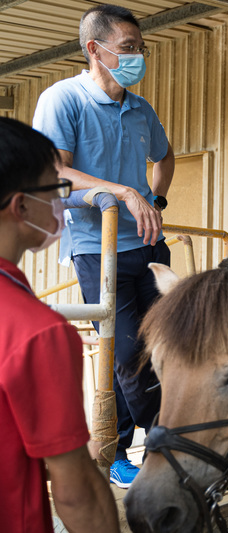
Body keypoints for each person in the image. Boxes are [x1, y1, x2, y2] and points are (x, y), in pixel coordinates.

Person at [32, 4, 175, 488]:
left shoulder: (140, 108)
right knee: (130, 355)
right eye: (128, 48)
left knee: (160, 349)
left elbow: (165, 156)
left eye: (140, 49)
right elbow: (56, 173)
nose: (137, 57)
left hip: (148, 244)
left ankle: (114, 449)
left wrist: (154, 197)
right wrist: (124, 192)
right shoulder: (63, 99)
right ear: (95, 50)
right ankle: (165, 455)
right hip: (97, 245)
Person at [0, 117, 120, 532]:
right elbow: (75, 492)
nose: (62, 202)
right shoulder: (37, 332)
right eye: (55, 189)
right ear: (20, 206)